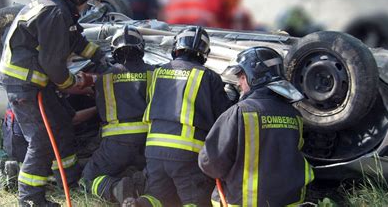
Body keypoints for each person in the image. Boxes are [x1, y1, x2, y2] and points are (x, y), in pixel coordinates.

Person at [0, 0, 106, 206]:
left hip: (37, 83)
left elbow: (76, 42)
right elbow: (53, 63)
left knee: (62, 128)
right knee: (43, 140)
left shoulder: (57, 9)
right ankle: (30, 199)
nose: (86, 7)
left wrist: (102, 57)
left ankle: (69, 180)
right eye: (86, 1)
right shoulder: (54, 11)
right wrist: (73, 84)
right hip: (27, 85)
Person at [124, 26, 231, 207]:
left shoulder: (157, 73)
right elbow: (224, 118)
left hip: (153, 149)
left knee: (159, 196)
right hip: (187, 152)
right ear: (204, 52)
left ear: (176, 47)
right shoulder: (208, 77)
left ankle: (141, 203)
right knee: (194, 199)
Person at [198, 46, 314, 206]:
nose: (239, 83)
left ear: (251, 77)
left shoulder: (239, 113)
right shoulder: (294, 115)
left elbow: (210, 163)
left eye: (241, 77)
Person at [80, 25, 154, 204]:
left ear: (114, 51)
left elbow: (100, 107)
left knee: (87, 180)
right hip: (149, 143)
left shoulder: (104, 77)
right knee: (155, 178)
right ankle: (140, 184)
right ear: (141, 48)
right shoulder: (155, 73)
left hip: (115, 145)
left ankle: (116, 189)